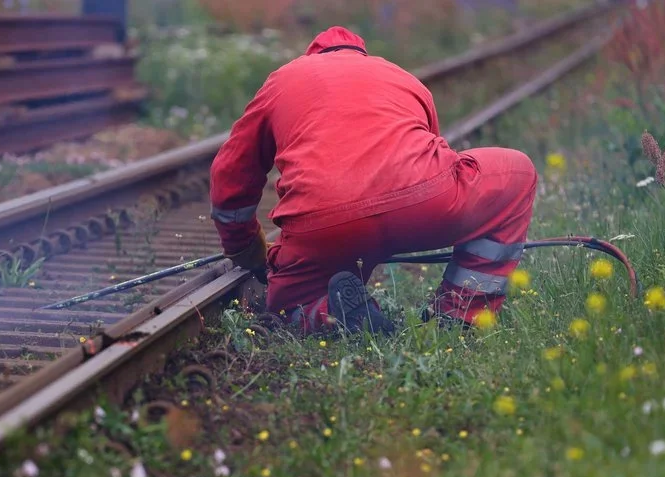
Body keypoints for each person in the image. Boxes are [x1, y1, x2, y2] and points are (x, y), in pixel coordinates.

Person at [209, 26, 538, 335]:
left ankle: (334, 313)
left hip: (321, 223)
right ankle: (462, 313)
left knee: (287, 306)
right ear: (361, 54)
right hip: (421, 204)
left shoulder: (284, 79)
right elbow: (434, 153)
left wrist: (244, 249)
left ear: (313, 56)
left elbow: (231, 173)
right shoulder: (401, 76)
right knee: (517, 172)